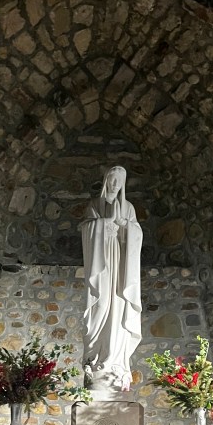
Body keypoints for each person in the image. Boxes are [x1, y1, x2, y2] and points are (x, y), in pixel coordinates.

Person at [81, 166, 143, 393]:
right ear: (106, 180)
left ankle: (116, 363)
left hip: (120, 267)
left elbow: (137, 233)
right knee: (101, 306)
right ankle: (96, 359)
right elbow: (86, 230)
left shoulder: (128, 207)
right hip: (102, 266)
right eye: (112, 179)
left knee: (119, 308)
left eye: (120, 181)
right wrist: (105, 223)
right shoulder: (94, 206)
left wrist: (126, 227)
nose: (115, 184)